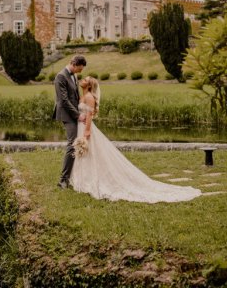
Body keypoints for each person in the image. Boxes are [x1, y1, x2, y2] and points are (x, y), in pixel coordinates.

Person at [70, 76, 202, 203]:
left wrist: (87, 131)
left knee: (91, 152)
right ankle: (84, 179)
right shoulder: (82, 95)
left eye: (85, 79)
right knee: (87, 154)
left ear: (89, 85)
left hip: (86, 128)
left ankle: (91, 181)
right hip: (80, 126)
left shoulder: (89, 97)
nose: (82, 80)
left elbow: (89, 115)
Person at [52, 55, 87, 189]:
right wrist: (78, 115)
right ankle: (63, 180)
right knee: (72, 144)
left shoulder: (74, 76)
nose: (80, 71)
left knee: (76, 143)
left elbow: (75, 96)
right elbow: (63, 100)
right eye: (79, 68)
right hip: (67, 114)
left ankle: (73, 176)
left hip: (75, 113)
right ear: (74, 64)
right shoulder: (60, 76)